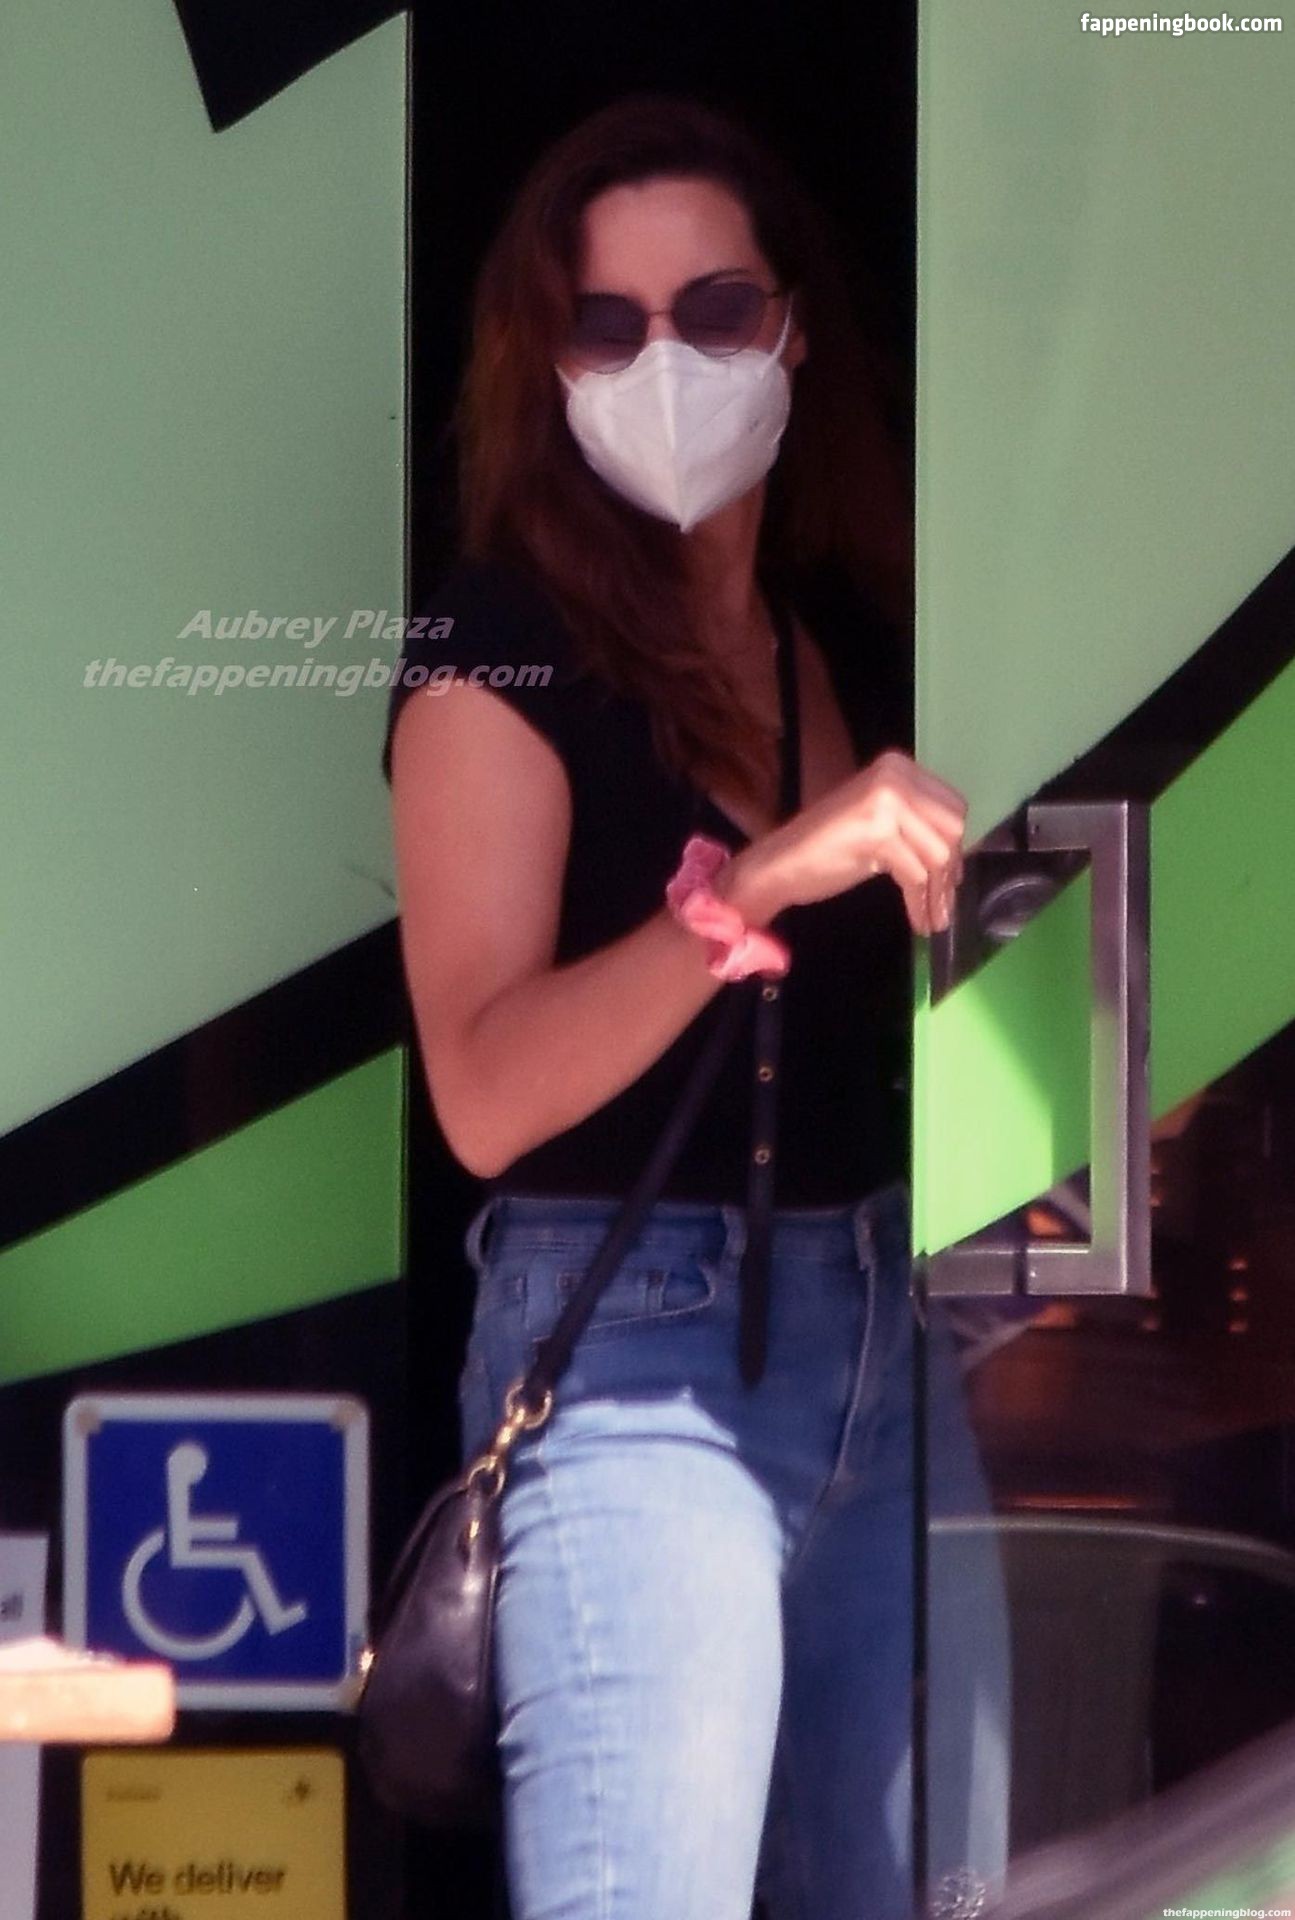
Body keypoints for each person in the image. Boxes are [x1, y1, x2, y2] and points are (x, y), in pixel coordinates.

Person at [383, 92, 1006, 1920]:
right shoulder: (498, 643)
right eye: (609, 326)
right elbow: (484, 1090)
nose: (667, 362)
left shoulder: (824, 640)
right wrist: (754, 885)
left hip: (888, 1335)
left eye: (717, 311)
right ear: (552, 369)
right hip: (637, 1364)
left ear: (793, 329)